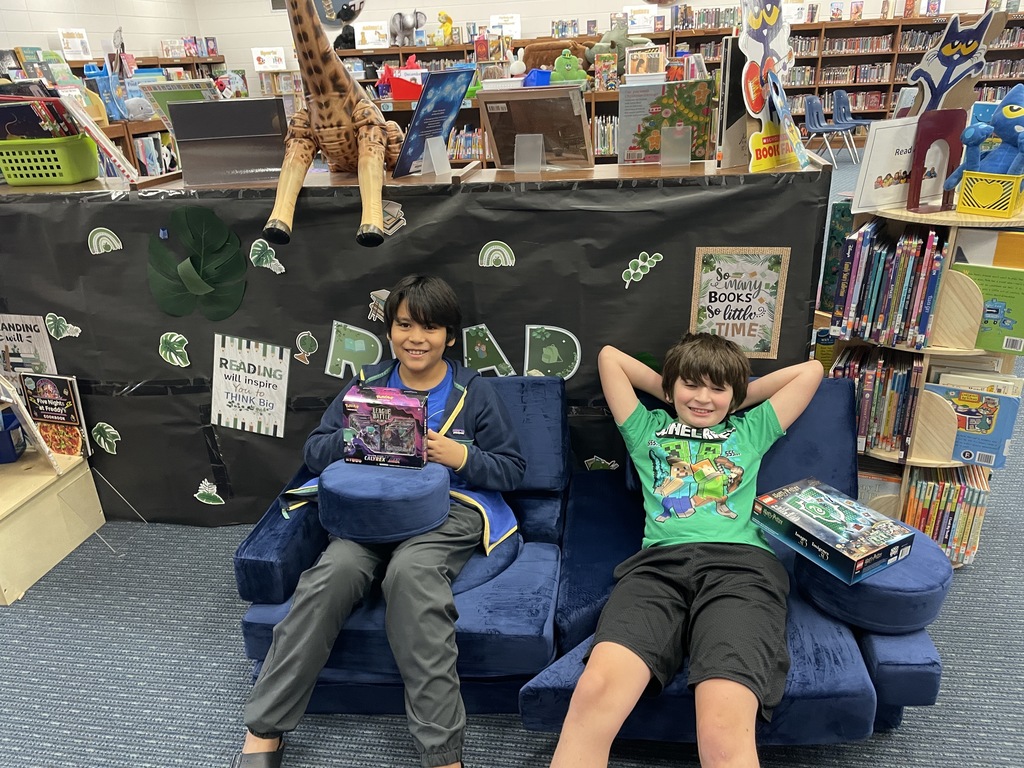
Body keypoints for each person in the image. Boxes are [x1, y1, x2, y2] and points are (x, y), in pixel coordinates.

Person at [231, 274, 526, 768]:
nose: (416, 338)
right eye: (405, 325)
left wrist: (458, 455)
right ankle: (263, 730)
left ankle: (441, 754)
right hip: (368, 515)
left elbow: (513, 470)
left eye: (430, 328)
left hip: (446, 511)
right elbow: (315, 451)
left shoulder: (475, 393)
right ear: (390, 330)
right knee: (331, 576)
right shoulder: (366, 384)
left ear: (450, 336)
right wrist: (359, 435)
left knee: (410, 576)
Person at [549, 333, 823, 768]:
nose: (702, 398)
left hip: (741, 569)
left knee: (723, 726)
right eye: (691, 385)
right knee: (593, 695)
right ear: (672, 386)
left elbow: (812, 370)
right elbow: (609, 358)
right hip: (657, 569)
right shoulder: (646, 429)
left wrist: (732, 395)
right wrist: (684, 386)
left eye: (716, 389)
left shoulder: (749, 430)